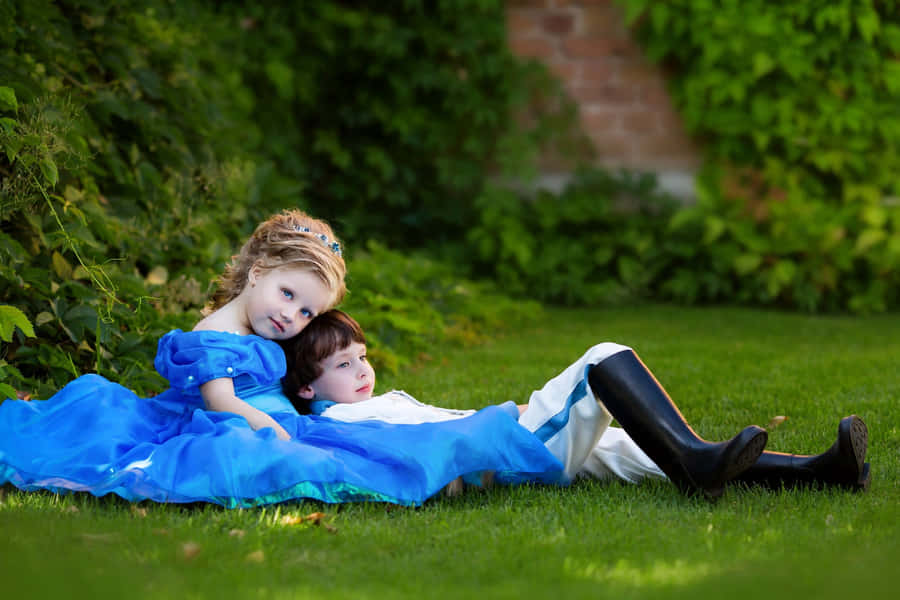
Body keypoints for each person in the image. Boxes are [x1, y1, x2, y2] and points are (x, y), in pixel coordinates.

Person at [0, 210, 564, 507]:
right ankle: (439, 465)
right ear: (257, 273)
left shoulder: (263, 324)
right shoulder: (216, 331)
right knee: (305, 460)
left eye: (306, 312)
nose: (291, 318)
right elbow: (221, 401)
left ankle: (461, 450)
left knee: (371, 436)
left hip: (282, 416)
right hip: (232, 425)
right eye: (287, 296)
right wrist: (272, 429)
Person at [282, 310, 870, 498]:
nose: (361, 371)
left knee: (643, 449)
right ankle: (696, 465)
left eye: (361, 356)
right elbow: (414, 465)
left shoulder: (367, 403)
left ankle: (821, 472)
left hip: (502, 444)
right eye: (342, 366)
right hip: (509, 452)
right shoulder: (341, 425)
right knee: (601, 357)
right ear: (306, 388)